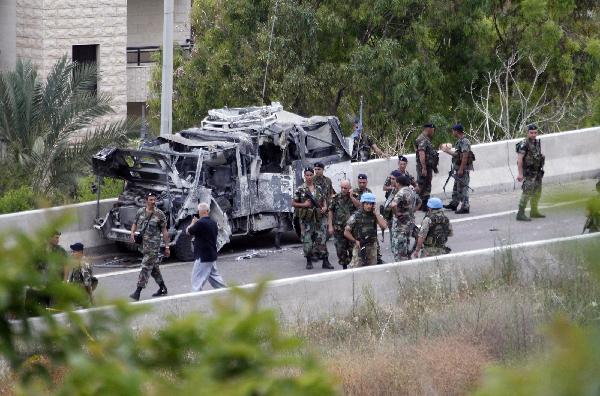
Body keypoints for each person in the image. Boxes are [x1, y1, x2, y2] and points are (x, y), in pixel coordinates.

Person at [129, 192, 170, 301]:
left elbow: (165, 231)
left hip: (153, 246)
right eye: (151, 200)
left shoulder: (160, 214)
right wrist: (132, 233)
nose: (153, 202)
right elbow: (135, 223)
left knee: (146, 267)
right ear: (146, 200)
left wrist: (167, 247)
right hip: (143, 245)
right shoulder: (140, 211)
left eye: (154, 200)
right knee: (153, 268)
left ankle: (137, 292)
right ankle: (162, 287)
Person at [291, 167, 333, 270]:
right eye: (307, 175)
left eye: (310, 175)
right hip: (307, 220)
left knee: (322, 240)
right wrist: (304, 204)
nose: (309, 177)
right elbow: (293, 203)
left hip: (319, 219)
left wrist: (324, 207)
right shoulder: (300, 189)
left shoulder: (318, 188)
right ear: (304, 176)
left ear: (313, 175)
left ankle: (325, 261)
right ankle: (308, 261)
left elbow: (324, 200)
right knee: (307, 241)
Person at [186, 202, 227, 291]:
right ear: (207, 211)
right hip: (212, 254)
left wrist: (192, 223)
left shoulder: (200, 223)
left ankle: (196, 298)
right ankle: (225, 292)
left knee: (196, 280)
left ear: (200, 212)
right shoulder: (213, 223)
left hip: (203, 256)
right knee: (215, 277)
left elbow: (188, 232)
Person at [344, 192, 388, 267]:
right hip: (360, 246)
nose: (369, 206)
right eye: (367, 204)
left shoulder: (375, 215)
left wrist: (377, 214)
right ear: (363, 204)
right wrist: (355, 241)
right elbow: (346, 232)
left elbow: (384, 226)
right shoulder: (356, 216)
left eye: (371, 204)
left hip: (372, 247)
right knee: (357, 270)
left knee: (371, 270)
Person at [351, 174, 384, 264]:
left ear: (366, 182)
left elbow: (383, 225)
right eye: (360, 182)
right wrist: (352, 198)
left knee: (373, 240)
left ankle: (377, 258)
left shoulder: (369, 191)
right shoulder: (354, 192)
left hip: (369, 219)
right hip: (359, 221)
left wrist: (376, 213)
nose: (362, 184)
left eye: (363, 182)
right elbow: (359, 206)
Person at [441, 124, 473, 214]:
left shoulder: (465, 141)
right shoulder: (460, 141)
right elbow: (457, 155)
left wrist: (461, 169)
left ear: (456, 131)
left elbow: (465, 156)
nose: (452, 132)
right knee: (456, 187)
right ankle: (454, 204)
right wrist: (447, 151)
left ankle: (465, 206)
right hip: (458, 167)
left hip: (462, 169)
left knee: (462, 188)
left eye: (453, 131)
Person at [516, 124, 546, 221]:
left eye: (535, 133)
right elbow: (519, 160)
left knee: (537, 192)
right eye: (531, 133)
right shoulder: (524, 144)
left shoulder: (537, 142)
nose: (533, 134)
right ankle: (520, 214)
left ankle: (534, 211)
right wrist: (520, 174)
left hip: (537, 172)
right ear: (528, 133)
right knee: (527, 193)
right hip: (529, 173)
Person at [391, 175, 422, 261]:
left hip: (400, 225)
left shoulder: (401, 192)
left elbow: (393, 204)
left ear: (398, 183)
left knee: (399, 249)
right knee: (406, 244)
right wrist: (412, 211)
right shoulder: (411, 191)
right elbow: (420, 202)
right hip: (409, 223)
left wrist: (397, 214)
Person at [328, 180, 355, 269]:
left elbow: (360, 208)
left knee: (352, 250)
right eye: (342, 187)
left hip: (351, 230)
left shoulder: (354, 197)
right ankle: (344, 267)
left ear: (349, 188)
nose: (343, 190)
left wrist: (352, 197)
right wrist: (330, 226)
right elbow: (330, 211)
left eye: (345, 188)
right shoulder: (336, 198)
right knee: (340, 251)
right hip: (339, 230)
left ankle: (352, 267)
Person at [415, 123, 439, 210]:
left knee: (427, 185)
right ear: (428, 129)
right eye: (433, 130)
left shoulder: (426, 139)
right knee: (422, 185)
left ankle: (424, 204)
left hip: (428, 166)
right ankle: (418, 203)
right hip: (423, 167)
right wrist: (424, 168)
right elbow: (422, 153)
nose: (433, 132)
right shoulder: (422, 139)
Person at [381, 170, 402, 243]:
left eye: (393, 179)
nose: (391, 180)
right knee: (392, 234)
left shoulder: (402, 190)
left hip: (398, 218)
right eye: (391, 179)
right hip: (390, 215)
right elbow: (384, 188)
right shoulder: (393, 189)